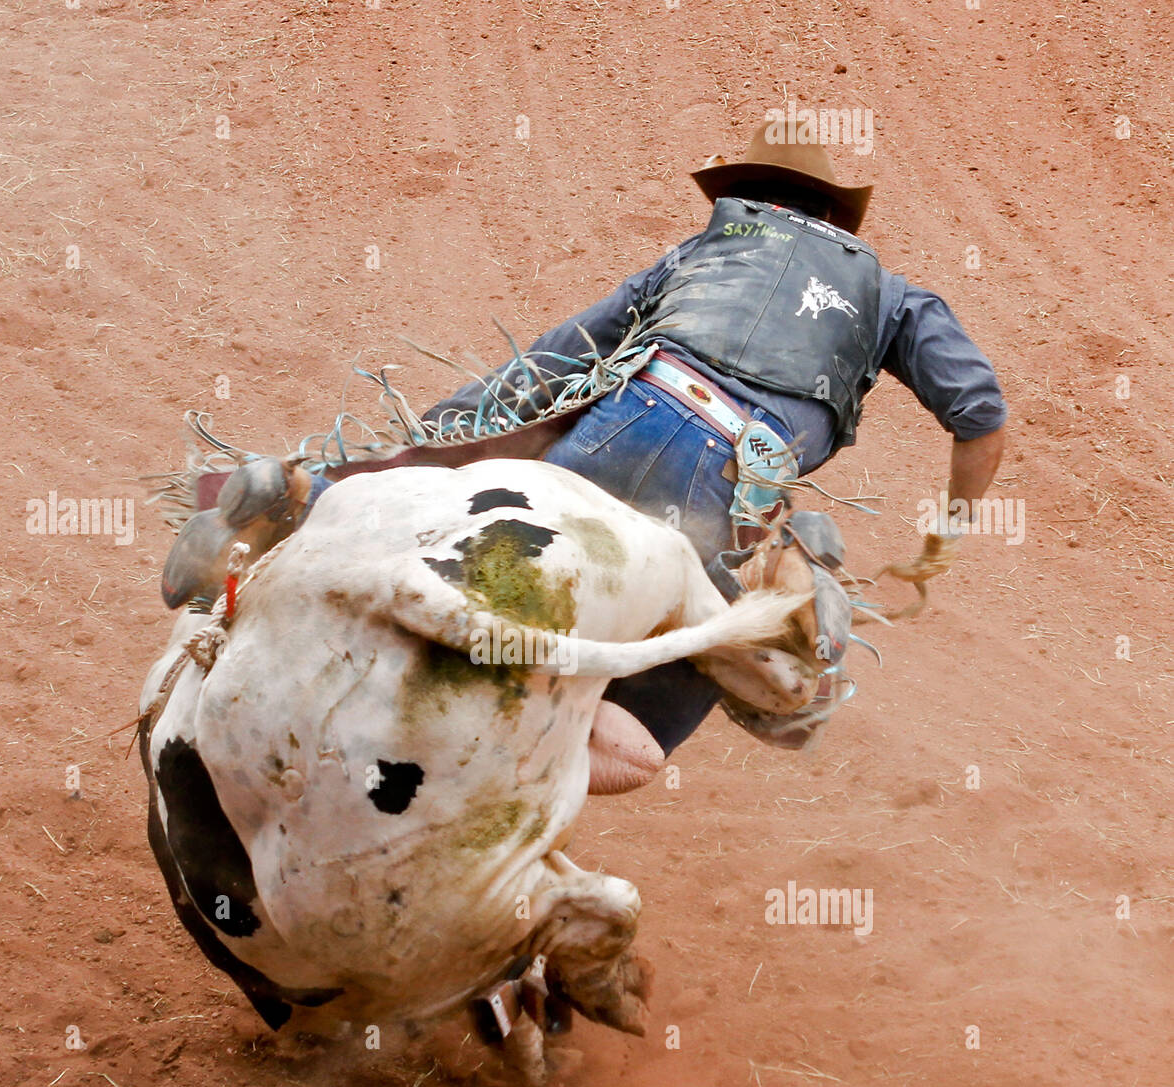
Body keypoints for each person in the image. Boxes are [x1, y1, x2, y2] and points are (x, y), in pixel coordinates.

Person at [421, 119, 1008, 789]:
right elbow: (981, 416)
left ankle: (325, 507)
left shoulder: (700, 253)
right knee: (664, 736)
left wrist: (435, 433)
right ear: (834, 216)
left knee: (467, 573)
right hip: (728, 498)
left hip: (615, 429)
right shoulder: (891, 299)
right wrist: (952, 527)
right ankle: (526, 758)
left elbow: (557, 358)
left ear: (747, 200)